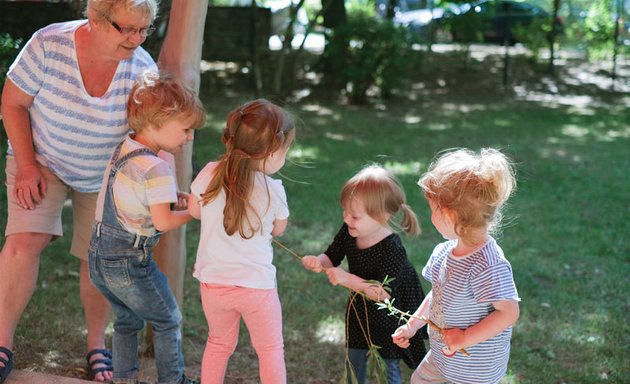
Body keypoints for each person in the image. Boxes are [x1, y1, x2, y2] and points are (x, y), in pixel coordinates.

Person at [0, 1, 161, 382]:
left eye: (144, 29)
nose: (136, 39)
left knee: (97, 257)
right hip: (41, 159)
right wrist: (25, 166)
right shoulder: (48, 44)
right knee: (24, 243)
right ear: (95, 18)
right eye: (127, 29)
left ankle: (95, 345)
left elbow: (148, 132)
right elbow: (12, 102)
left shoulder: (142, 68)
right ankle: (1, 341)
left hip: (106, 172)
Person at [88, 70, 205, 384]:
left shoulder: (125, 148)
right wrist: (194, 212)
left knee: (127, 320)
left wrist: (170, 199)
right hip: (129, 261)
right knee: (168, 319)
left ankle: (124, 379)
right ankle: (174, 381)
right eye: (185, 130)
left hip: (99, 257)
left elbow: (135, 195)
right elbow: (163, 221)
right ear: (157, 123)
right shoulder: (156, 167)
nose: (189, 137)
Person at [188, 99, 296, 384]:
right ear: (272, 151)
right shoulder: (274, 190)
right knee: (270, 350)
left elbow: (193, 210)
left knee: (219, 344)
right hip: (256, 287)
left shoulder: (210, 172)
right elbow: (279, 230)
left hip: (213, 284)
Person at [392, 148, 520, 384]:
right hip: (443, 358)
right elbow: (437, 296)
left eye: (433, 211)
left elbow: (509, 312)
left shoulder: (487, 265)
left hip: (474, 369)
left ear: (450, 216)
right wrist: (412, 326)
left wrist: (465, 337)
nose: (431, 217)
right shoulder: (444, 252)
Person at [302, 164, 428, 384]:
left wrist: (347, 279)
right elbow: (332, 256)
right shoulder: (349, 231)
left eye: (355, 216)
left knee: (388, 360)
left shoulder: (392, 248)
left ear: (381, 216)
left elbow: (383, 293)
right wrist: (318, 262)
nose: (347, 219)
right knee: (355, 353)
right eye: (345, 212)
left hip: (389, 310)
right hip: (360, 304)